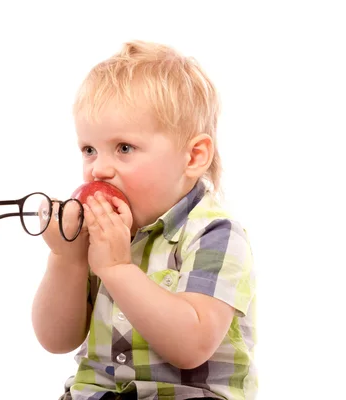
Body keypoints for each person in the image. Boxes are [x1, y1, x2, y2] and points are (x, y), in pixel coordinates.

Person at [31, 40, 257, 400]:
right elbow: (56, 339)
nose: (99, 169)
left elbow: (192, 345)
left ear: (193, 156)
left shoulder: (215, 234)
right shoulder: (98, 233)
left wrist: (118, 269)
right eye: (89, 149)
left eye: (124, 148)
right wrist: (66, 259)